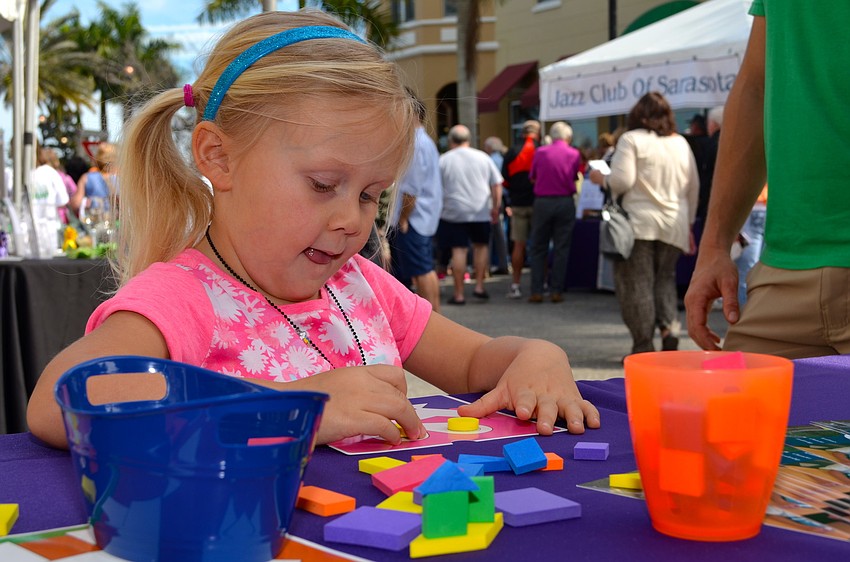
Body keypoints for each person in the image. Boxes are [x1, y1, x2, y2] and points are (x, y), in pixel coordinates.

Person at [26, 10, 599, 450]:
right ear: (218, 158)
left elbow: (478, 362)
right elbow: (64, 400)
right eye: (323, 184)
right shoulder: (183, 299)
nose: (353, 219)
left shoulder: (362, 286)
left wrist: (536, 354)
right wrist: (293, 406)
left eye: (372, 195)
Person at [685, 1, 850, 359]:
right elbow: (755, 86)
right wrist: (714, 245)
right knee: (728, 411)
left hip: (792, 269)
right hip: (785, 272)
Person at [589, 92, 698, 356]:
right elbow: (693, 187)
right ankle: (669, 328)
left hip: (638, 224)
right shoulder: (681, 143)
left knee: (636, 285)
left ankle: (643, 347)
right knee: (664, 281)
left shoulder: (631, 139)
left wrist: (599, 178)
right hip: (675, 223)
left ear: (637, 116)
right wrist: (690, 224)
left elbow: (622, 181)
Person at [387, 93, 443, 312]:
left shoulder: (416, 142)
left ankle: (434, 318)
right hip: (420, 217)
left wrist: (402, 218)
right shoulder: (423, 141)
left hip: (413, 219)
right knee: (422, 268)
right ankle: (435, 316)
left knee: (421, 268)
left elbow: (411, 189)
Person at [437, 124, 504, 305]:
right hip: (480, 211)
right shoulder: (483, 157)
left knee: (458, 250)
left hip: (453, 211)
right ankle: (479, 286)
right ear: (469, 139)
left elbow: (436, 188)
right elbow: (497, 184)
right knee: (481, 247)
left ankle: (459, 294)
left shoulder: (444, 159)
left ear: (451, 140)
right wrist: (496, 207)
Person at [527, 121, 581, 304]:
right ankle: (556, 290)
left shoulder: (540, 152)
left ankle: (536, 290)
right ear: (568, 137)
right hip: (564, 201)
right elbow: (574, 176)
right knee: (561, 247)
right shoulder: (574, 153)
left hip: (543, 202)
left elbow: (532, 177)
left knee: (538, 247)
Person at [501, 120, 540, 299]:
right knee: (540, 245)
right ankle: (541, 283)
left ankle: (516, 285)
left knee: (518, 244)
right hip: (538, 202)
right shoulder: (541, 149)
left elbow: (505, 180)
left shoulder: (512, 151)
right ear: (537, 133)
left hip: (517, 203)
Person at [72, 142, 117, 218]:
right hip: (117, 223)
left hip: (96, 222)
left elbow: (76, 204)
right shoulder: (122, 179)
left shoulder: (86, 177)